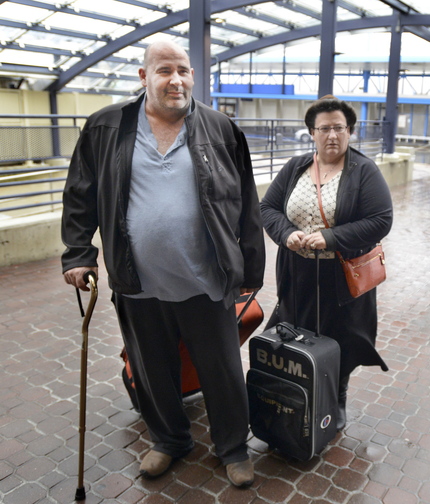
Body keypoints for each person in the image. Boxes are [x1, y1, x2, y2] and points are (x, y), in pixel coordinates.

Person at [60, 40, 265, 487]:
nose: (176, 80)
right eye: (165, 70)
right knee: (152, 370)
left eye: (184, 71)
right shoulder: (105, 127)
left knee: (224, 373)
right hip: (138, 282)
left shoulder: (220, 128)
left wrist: (249, 271)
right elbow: (81, 194)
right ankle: (169, 440)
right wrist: (79, 253)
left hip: (206, 281)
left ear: (193, 76)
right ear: (144, 76)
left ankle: (232, 448)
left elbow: (246, 202)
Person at [260, 95, 393, 432]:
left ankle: (338, 396)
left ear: (350, 131)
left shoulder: (364, 171)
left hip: (341, 274)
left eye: (339, 128)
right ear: (311, 132)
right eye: (324, 128)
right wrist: (287, 233)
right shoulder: (296, 166)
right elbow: (268, 208)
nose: (332, 135)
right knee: (296, 329)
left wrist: (331, 238)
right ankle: (296, 390)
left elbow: (381, 220)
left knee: (341, 336)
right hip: (298, 271)